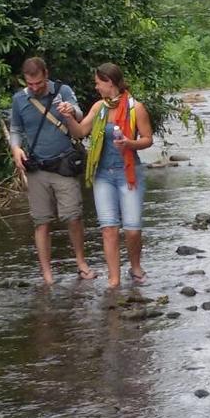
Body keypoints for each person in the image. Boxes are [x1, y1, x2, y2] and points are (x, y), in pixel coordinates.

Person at [58, 63, 153, 288]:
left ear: (110, 82)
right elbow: (80, 132)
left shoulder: (135, 108)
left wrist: (129, 143)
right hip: (103, 174)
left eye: (98, 82)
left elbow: (148, 139)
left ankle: (135, 266)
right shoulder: (99, 108)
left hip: (129, 173)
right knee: (109, 228)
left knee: (132, 230)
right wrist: (68, 117)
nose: (96, 86)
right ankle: (114, 279)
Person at [10, 57, 96, 285]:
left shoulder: (63, 91)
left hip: (64, 164)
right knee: (41, 221)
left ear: (46, 75)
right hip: (37, 167)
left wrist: (70, 111)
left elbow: (79, 114)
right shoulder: (19, 99)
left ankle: (81, 263)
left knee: (74, 216)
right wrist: (16, 148)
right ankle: (47, 275)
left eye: (39, 83)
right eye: (31, 84)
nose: (35, 88)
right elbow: (16, 129)